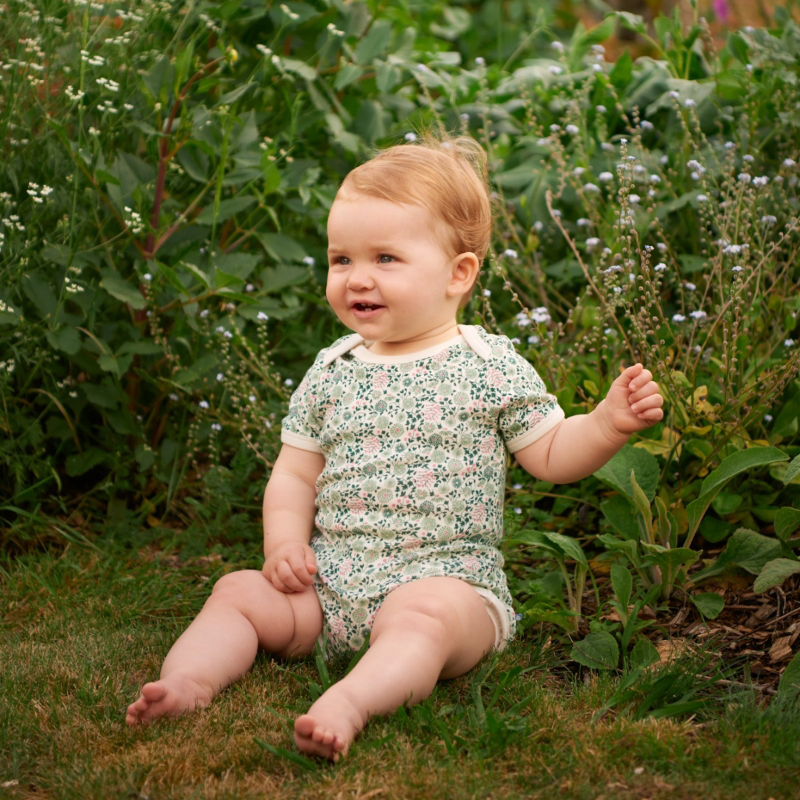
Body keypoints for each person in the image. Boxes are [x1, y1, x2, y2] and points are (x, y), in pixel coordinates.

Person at [125, 134, 664, 760]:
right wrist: (284, 546)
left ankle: (350, 702)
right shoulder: (332, 369)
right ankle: (188, 682)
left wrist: (606, 424)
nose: (357, 277)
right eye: (341, 259)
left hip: (447, 583)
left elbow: (550, 454)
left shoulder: (489, 365)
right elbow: (295, 476)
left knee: (424, 618)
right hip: (329, 589)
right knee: (239, 592)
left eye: (385, 258)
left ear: (458, 273)